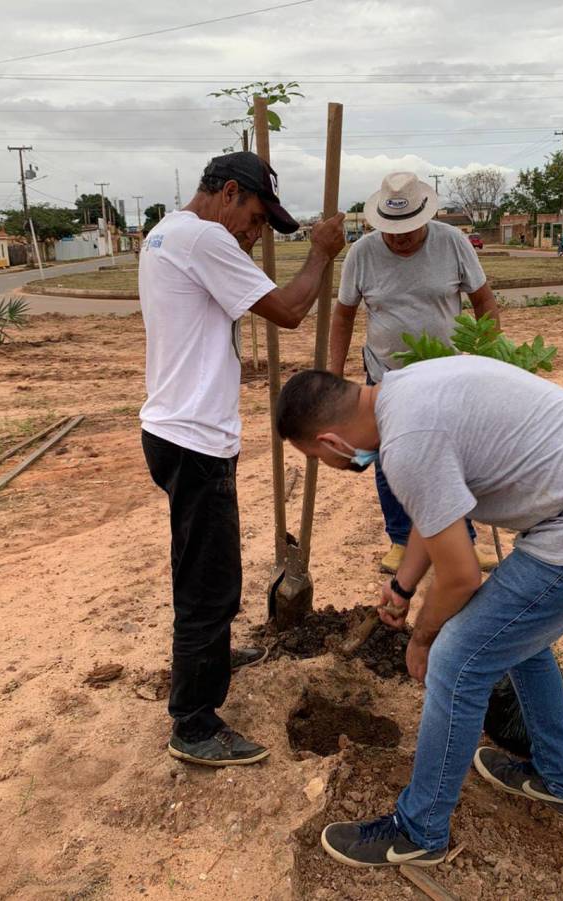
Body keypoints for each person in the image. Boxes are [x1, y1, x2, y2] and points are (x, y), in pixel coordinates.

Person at [276, 359, 563, 868]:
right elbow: (434, 511)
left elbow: (460, 577)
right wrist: (402, 584)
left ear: (329, 442)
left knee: (457, 660)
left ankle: (419, 830)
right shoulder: (401, 394)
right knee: (515, 636)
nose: (325, 464)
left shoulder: (407, 444)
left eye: (312, 457)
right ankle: (557, 780)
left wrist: (422, 638)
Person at [139, 152, 345, 768]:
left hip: (175, 430)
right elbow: (288, 311)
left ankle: (211, 657)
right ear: (227, 192)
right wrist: (322, 253)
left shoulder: (165, 233)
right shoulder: (203, 238)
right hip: (194, 439)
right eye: (254, 219)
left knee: (206, 565)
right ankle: (194, 724)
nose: (254, 235)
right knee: (208, 582)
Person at [329, 172, 500, 574]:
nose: (399, 238)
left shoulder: (453, 242)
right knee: (391, 459)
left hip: (448, 373)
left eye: (407, 230)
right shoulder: (363, 254)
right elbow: (343, 314)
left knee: (453, 458)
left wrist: (490, 354)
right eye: (391, 230)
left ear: (425, 217)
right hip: (386, 374)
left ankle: (465, 541)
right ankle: (402, 541)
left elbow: (484, 302)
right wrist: (334, 377)